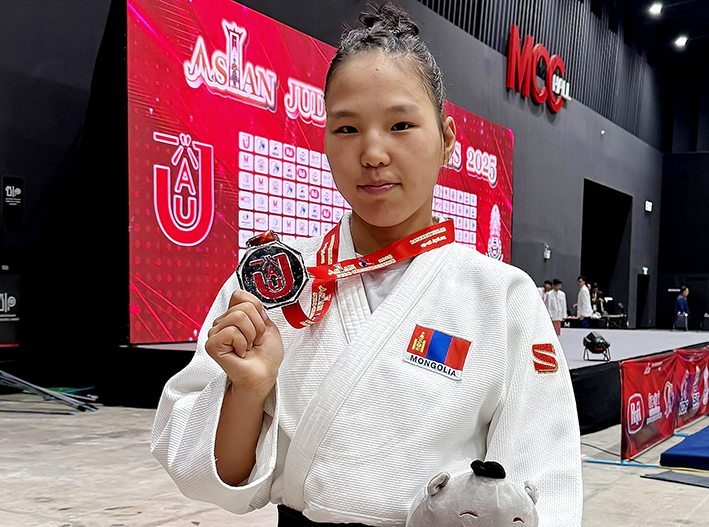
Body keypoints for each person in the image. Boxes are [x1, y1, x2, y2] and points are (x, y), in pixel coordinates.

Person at [150, 4, 582, 526]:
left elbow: (539, 487)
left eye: (401, 124)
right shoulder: (272, 283)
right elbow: (211, 475)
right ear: (325, 138)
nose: (373, 153)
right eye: (347, 128)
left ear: (447, 139)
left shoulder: (502, 296)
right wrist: (248, 390)